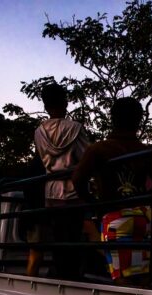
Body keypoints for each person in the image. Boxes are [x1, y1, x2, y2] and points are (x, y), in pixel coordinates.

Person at [72, 97, 152, 284]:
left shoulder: (98, 149)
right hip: (143, 217)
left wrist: (94, 203)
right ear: (139, 121)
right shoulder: (147, 151)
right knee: (142, 274)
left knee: (121, 278)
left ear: (112, 118)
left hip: (115, 217)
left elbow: (78, 180)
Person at [32, 82, 90, 278]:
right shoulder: (76, 128)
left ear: (46, 106)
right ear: (66, 102)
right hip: (74, 190)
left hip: (51, 190)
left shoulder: (39, 132)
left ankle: (61, 274)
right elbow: (86, 158)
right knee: (75, 237)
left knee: (58, 239)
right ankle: (74, 275)